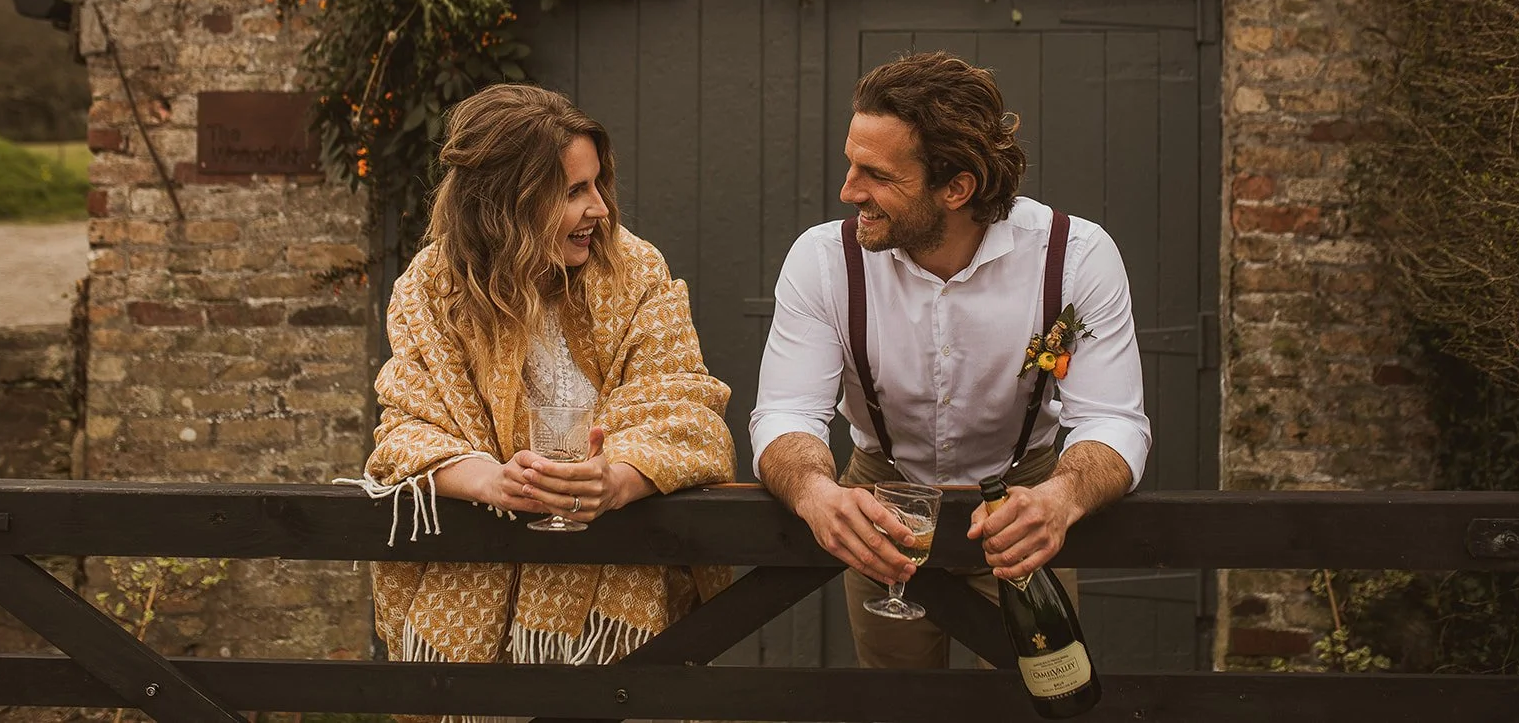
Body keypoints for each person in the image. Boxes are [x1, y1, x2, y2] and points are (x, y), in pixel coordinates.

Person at [749, 51, 1151, 668]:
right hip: (882, 509)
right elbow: (786, 411)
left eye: (876, 175)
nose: (848, 191)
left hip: (1023, 511)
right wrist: (815, 492)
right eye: (850, 165)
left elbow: (1113, 420)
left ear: (957, 187)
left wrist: (1061, 498)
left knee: (1044, 693)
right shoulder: (825, 261)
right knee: (897, 706)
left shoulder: (1074, 254)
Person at [343, 83, 734, 676]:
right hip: (476, 577)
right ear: (509, 202)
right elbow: (407, 431)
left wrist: (616, 480)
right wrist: (494, 483)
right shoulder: (430, 289)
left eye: (598, 183)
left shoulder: (636, 271)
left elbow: (685, 406)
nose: (600, 207)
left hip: (618, 595)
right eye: (575, 191)